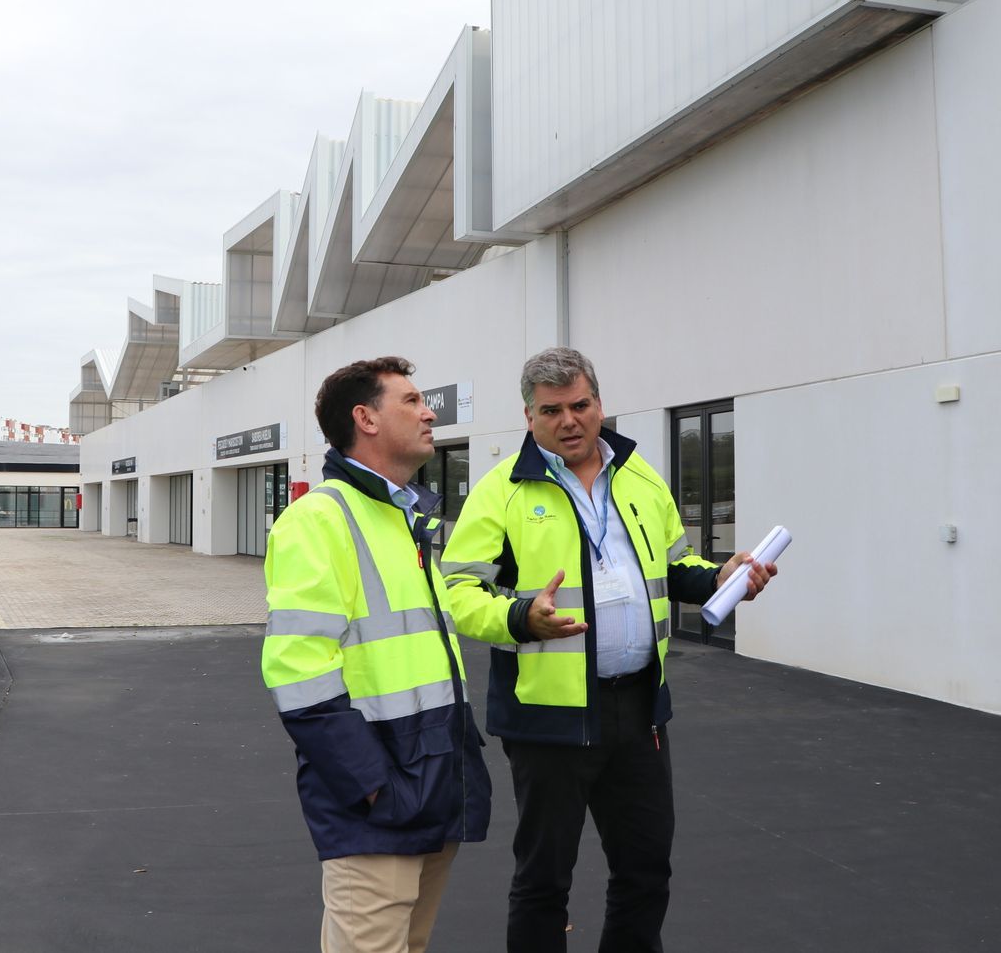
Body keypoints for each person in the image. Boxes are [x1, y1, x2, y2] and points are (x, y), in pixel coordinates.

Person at [441, 347, 777, 953]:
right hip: (548, 718)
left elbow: (674, 568)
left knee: (646, 872)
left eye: (581, 405)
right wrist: (520, 616)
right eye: (552, 411)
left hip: (638, 711)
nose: (569, 420)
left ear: (599, 403)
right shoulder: (502, 491)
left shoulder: (641, 476)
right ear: (528, 416)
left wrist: (720, 578)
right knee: (544, 882)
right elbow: (459, 591)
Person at [262, 356, 586, 953]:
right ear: (365, 418)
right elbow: (298, 673)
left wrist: (518, 618)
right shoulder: (319, 519)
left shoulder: (407, 519)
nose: (428, 411)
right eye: (410, 400)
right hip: (378, 795)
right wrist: (371, 785)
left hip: (430, 777)